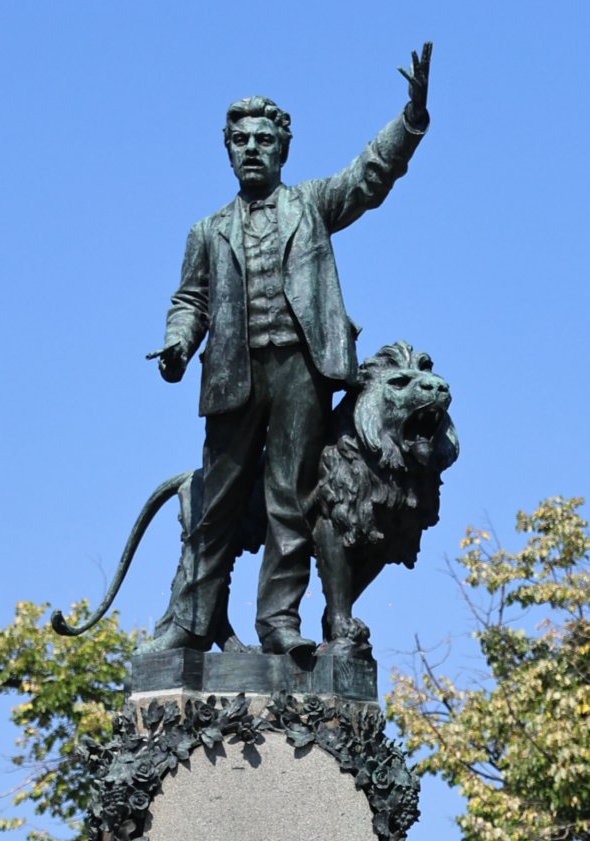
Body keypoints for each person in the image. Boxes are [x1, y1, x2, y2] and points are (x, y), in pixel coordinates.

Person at [152, 47, 432, 655]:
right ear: (227, 149)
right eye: (241, 140)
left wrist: (410, 119)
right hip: (234, 373)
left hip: (302, 369)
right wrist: (178, 344)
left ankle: (279, 622)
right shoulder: (207, 231)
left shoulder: (311, 206)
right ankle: (188, 623)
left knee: (291, 497)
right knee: (216, 502)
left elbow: (369, 175)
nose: (252, 148)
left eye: (264, 139)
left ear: (283, 149)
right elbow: (190, 299)